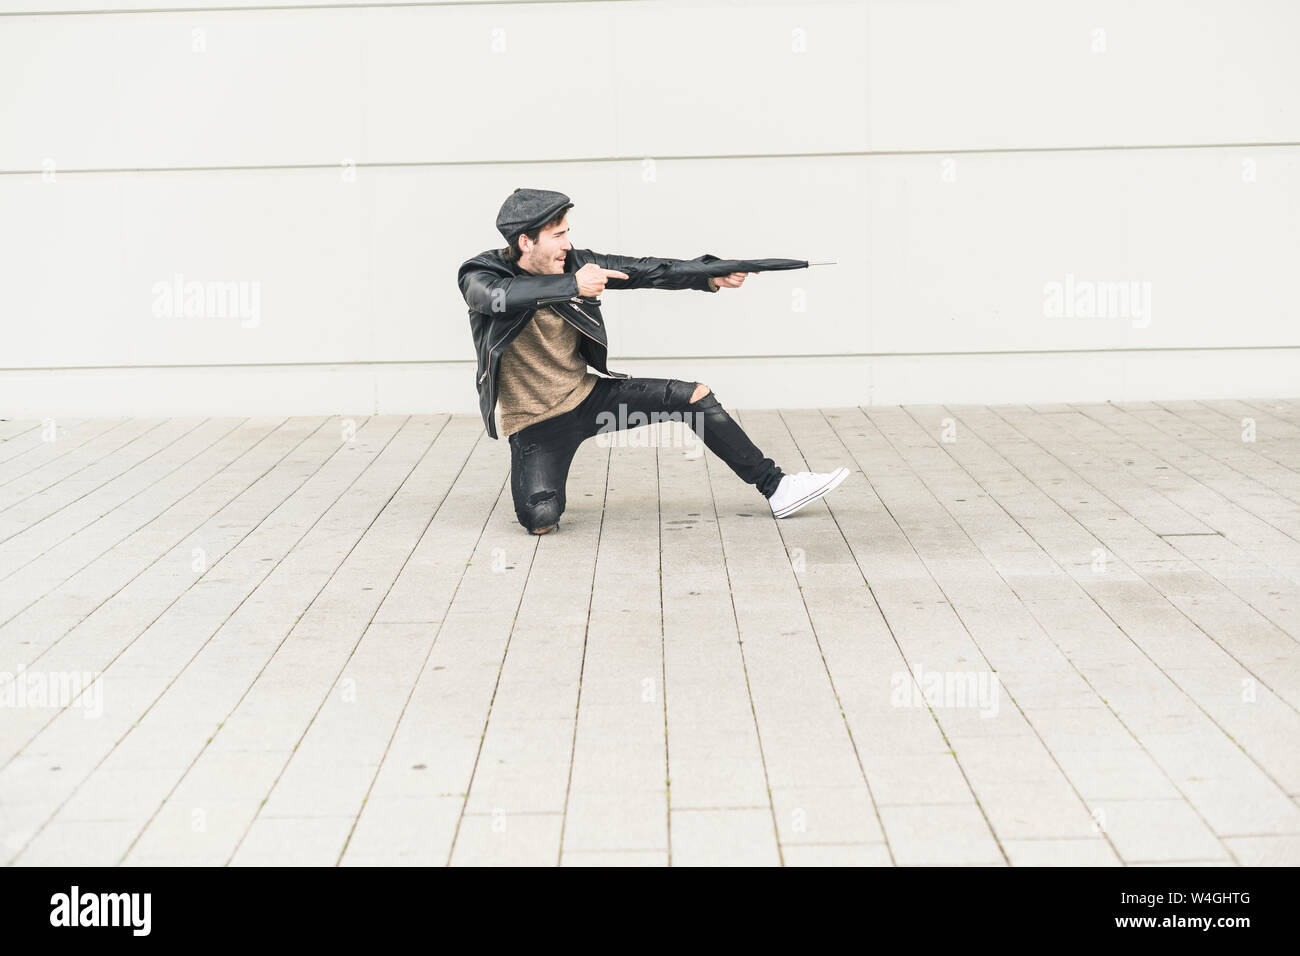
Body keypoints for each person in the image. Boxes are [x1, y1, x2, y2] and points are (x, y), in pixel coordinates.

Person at [457, 187, 849, 534]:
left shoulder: (578, 262)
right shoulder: (481, 273)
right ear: (526, 242)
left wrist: (710, 274)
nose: (566, 245)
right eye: (558, 235)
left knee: (692, 397)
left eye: (567, 234)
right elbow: (495, 298)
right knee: (540, 518)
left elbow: (650, 270)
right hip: (536, 424)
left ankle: (778, 487)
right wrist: (571, 286)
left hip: (587, 400)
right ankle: (541, 496)